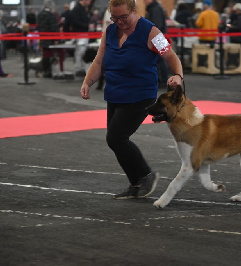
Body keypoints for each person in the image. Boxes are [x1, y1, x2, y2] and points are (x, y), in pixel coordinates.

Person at [80, 0, 183, 200]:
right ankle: (136, 183)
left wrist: (178, 75)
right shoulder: (110, 31)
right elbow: (99, 60)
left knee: (116, 138)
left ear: (134, 11)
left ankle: (146, 175)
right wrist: (87, 82)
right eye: (115, 18)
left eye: (123, 17)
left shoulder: (151, 31)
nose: (119, 22)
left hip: (140, 95)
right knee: (116, 141)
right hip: (115, 93)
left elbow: (170, 56)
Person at [144, 0, 169, 88]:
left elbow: (156, 25)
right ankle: (162, 80)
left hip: (157, 38)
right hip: (157, 37)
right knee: (159, 60)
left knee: (159, 60)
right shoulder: (154, 8)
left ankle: (163, 81)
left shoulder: (154, 9)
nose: (143, 1)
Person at [37, 0, 64, 79]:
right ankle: (54, 71)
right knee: (53, 55)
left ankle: (46, 71)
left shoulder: (40, 15)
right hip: (50, 38)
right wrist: (56, 39)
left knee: (45, 55)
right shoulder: (50, 15)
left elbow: (39, 27)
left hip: (43, 37)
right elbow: (54, 27)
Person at [70, 0, 91, 77]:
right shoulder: (77, 9)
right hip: (80, 34)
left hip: (83, 34)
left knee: (82, 51)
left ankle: (81, 68)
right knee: (80, 52)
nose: (90, 2)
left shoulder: (83, 9)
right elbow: (75, 22)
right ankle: (78, 69)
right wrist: (87, 26)